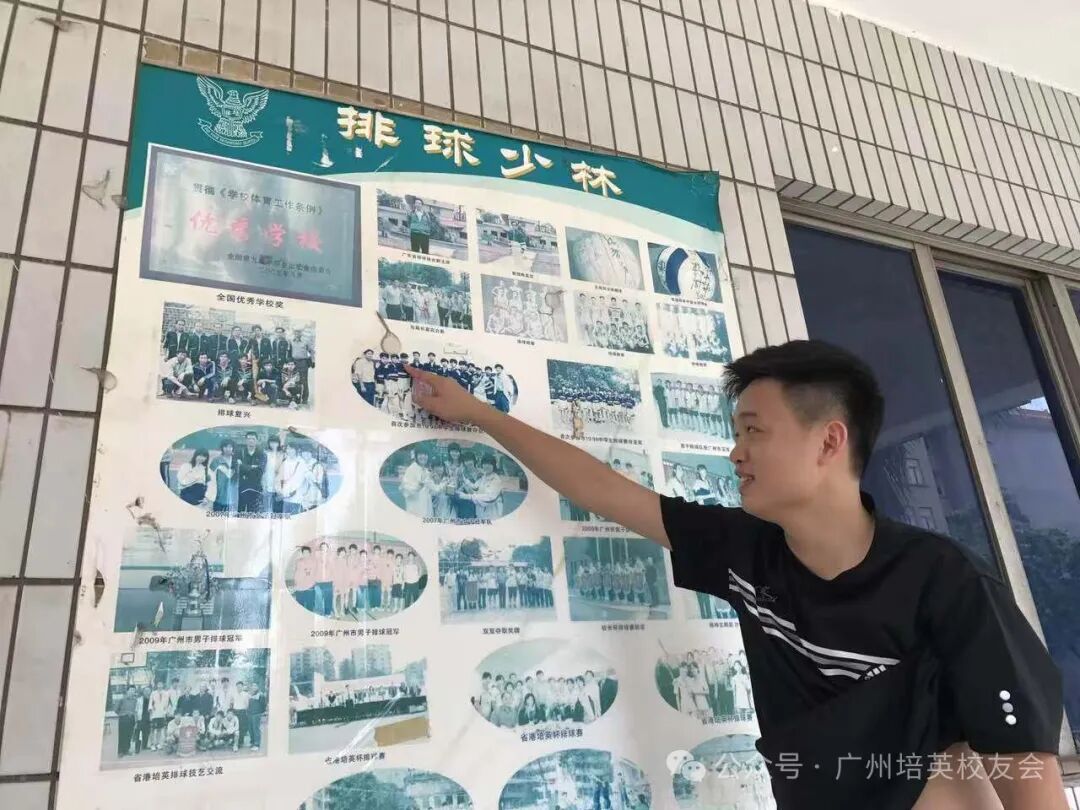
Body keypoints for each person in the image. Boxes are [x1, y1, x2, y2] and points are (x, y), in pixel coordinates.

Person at [404, 339, 1067, 810]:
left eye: (753, 431)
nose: (735, 452)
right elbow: (603, 491)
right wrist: (480, 414)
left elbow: (1023, 766)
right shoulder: (746, 552)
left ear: (829, 441)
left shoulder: (942, 581)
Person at [237, 431, 266, 514]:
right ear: (245, 440)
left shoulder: (262, 454)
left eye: (253, 439)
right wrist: (252, 467)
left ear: (257, 440)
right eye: (249, 438)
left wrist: (243, 466)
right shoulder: (240, 452)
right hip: (242, 488)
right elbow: (237, 468)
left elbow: (260, 471)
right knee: (240, 513)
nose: (251, 440)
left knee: (253, 514)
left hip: (255, 489)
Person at [115, 686, 138, 758]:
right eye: (131, 690)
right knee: (122, 735)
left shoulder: (135, 700)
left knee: (129, 735)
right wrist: (123, 714)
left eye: (133, 690)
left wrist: (135, 718)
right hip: (123, 719)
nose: (132, 692)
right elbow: (116, 710)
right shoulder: (122, 699)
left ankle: (126, 750)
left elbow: (136, 710)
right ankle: (120, 751)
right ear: (127, 691)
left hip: (131, 719)